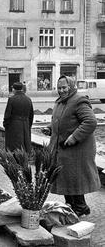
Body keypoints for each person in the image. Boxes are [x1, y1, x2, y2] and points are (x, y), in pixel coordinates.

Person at [42, 75, 101, 217]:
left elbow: (90, 122)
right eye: (59, 88)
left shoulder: (79, 101)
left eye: (64, 87)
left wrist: (74, 137)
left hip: (76, 150)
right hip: (62, 148)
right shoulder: (62, 101)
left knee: (74, 178)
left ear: (71, 87)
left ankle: (80, 208)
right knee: (65, 178)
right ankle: (72, 206)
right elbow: (62, 120)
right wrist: (50, 128)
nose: (61, 90)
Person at [3, 82, 34, 153]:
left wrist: (6, 125)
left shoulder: (11, 99)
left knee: (14, 146)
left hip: (14, 126)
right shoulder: (28, 99)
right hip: (25, 125)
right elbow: (31, 115)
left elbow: (7, 115)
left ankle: (14, 161)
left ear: (14, 89)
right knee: (25, 145)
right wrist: (28, 125)